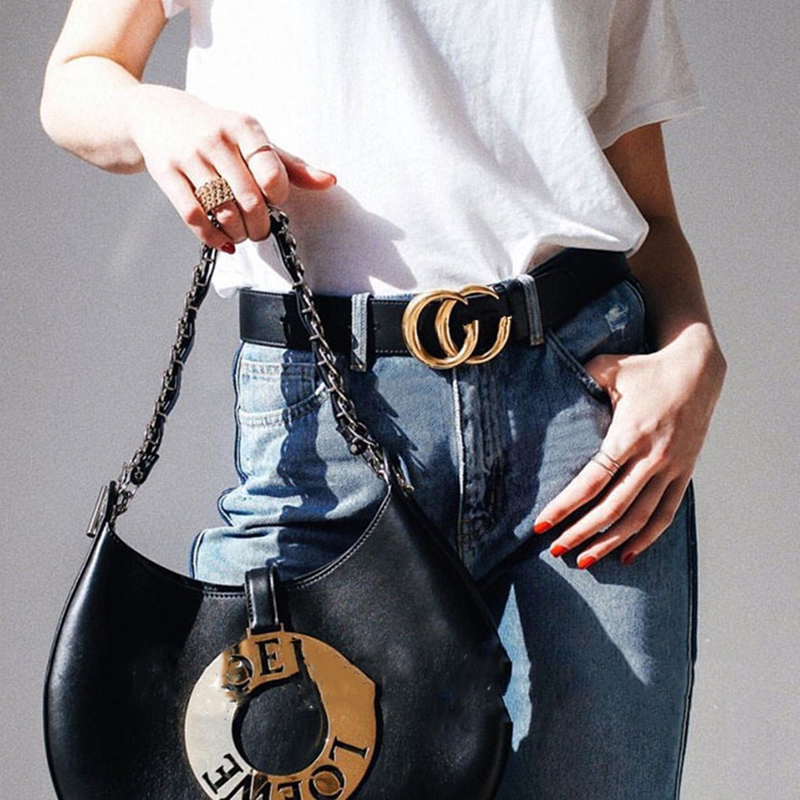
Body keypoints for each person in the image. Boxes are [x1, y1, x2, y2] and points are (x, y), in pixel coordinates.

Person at [41, 0, 726, 797]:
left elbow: (650, 215)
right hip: (323, 429)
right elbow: (75, 80)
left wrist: (693, 349)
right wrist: (154, 115)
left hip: (584, 426)